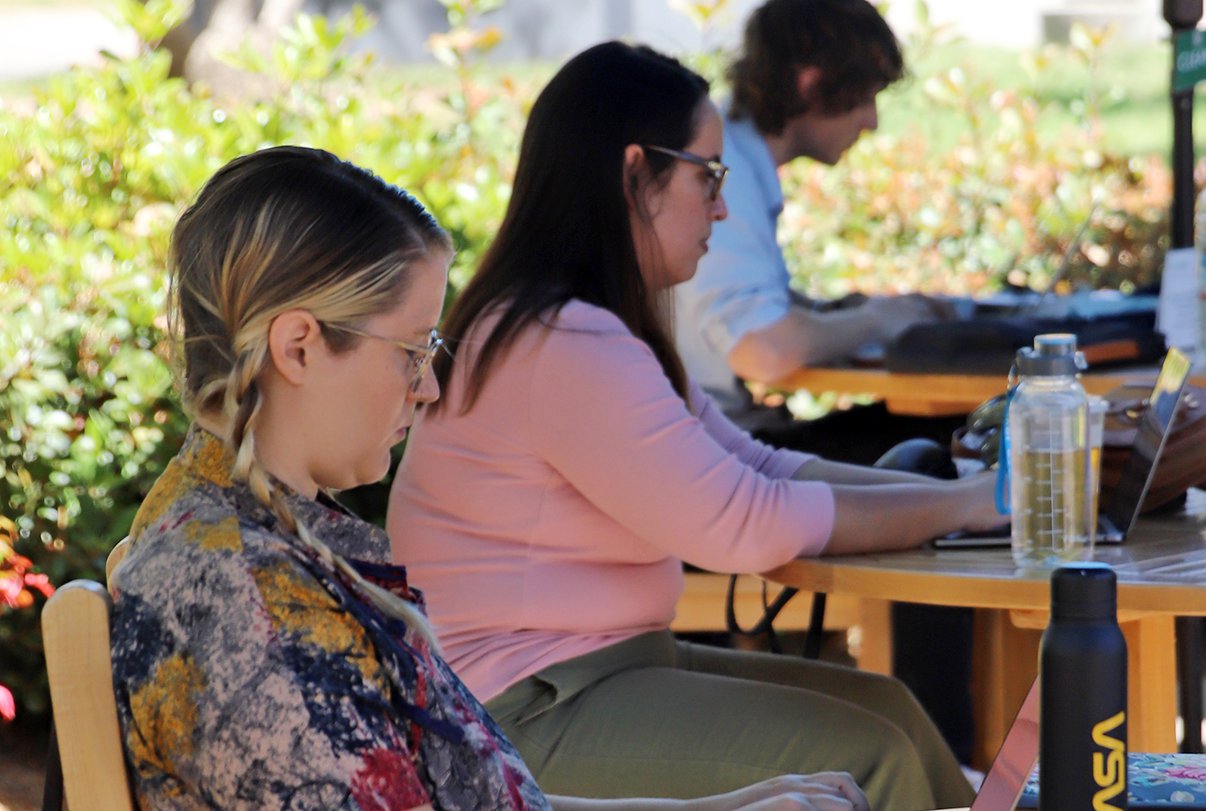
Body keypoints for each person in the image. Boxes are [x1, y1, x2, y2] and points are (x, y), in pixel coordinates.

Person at [109, 145, 870, 811]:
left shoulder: (260, 544)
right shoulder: (248, 602)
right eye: (411, 352)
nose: (429, 388)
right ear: (300, 347)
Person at [386, 41, 1000, 811]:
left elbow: (756, 463)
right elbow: (746, 523)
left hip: (593, 674)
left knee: (893, 712)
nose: (721, 206)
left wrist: (979, 496)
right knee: (870, 754)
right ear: (635, 173)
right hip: (513, 715)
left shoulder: (582, 324)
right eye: (708, 176)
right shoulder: (562, 341)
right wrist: (972, 503)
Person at [671, 0, 977, 763]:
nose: (872, 121)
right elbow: (764, 350)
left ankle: (950, 737)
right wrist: (882, 317)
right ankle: (948, 736)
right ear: (812, 82)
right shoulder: (727, 170)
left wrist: (845, 312)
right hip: (710, 457)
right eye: (866, 93)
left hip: (715, 438)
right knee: (934, 452)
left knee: (933, 457)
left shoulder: (737, 161)